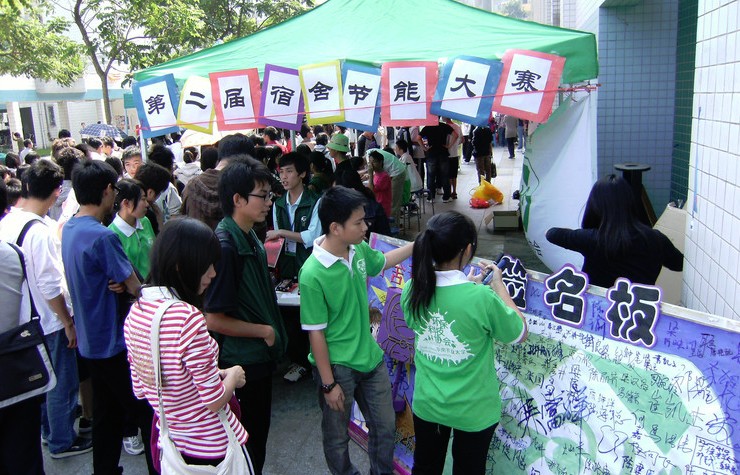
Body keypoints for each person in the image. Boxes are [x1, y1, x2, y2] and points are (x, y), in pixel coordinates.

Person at [401, 211, 527, 475]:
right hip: (474, 410)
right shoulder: (481, 298)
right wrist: (500, 289)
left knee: (425, 466)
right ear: (467, 249)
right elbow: (518, 332)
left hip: (428, 404)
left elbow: (432, 314)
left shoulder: (412, 289)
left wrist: (468, 286)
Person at [298, 186, 413, 475]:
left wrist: (416, 245)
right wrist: (328, 384)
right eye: (359, 222)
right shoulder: (312, 273)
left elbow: (382, 262)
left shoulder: (358, 249)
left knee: (385, 428)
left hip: (370, 358)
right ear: (335, 228)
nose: (366, 227)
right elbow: (316, 333)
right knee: (337, 439)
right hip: (337, 368)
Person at [124, 218, 250, 468]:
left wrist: (212, 374)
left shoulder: (136, 312)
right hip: (214, 447)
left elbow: (141, 388)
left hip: (172, 443)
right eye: (207, 265)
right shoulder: (187, 318)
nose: (213, 273)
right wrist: (233, 376)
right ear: (182, 266)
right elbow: (214, 400)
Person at [61, 160, 156, 474]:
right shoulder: (103, 237)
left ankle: (104, 468)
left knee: (106, 415)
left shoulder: (71, 228)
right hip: (114, 343)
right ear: (106, 191)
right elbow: (133, 285)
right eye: (114, 189)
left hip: (90, 341)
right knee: (146, 415)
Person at [0, 160, 89, 460]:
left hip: (19, 319)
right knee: (60, 383)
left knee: (36, 382)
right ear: (56, 193)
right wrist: (67, 321)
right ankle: (62, 440)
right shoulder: (40, 232)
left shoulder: (8, 222)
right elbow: (50, 285)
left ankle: (48, 432)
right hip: (47, 321)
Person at [204, 156, 287, 475]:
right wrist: (264, 331)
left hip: (257, 358)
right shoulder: (226, 245)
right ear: (237, 199)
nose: (268, 202)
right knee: (247, 443)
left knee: (256, 440)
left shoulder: (249, 233)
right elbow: (214, 319)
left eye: (269, 195)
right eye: (262, 195)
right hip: (242, 360)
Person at [546, 174, 684, 288]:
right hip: (639, 312)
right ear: (630, 203)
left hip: (597, 313)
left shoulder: (592, 239)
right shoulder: (656, 239)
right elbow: (678, 264)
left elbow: (552, 234)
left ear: (595, 206)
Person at [266, 152, 322, 383]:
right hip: (286, 266)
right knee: (289, 316)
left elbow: (312, 236)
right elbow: (279, 242)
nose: (284, 176)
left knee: (311, 314)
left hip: (308, 264)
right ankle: (300, 360)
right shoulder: (278, 204)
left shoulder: (314, 201)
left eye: (289, 171)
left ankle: (314, 361)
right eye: (281, 172)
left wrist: (281, 232)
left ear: (302, 173)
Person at [108, 179, 155, 279]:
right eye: (143, 199)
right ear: (126, 203)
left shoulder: (145, 221)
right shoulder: (112, 234)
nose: (147, 204)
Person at [420, 119, 456, 203]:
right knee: (445, 175)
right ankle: (446, 197)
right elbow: (456, 135)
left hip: (431, 154)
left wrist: (425, 148)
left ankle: (430, 197)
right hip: (443, 153)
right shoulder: (444, 126)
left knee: (431, 176)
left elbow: (418, 138)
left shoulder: (427, 127)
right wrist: (449, 146)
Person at [367, 150, 392, 217]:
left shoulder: (384, 177)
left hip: (382, 209)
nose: (371, 165)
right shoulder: (377, 174)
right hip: (377, 206)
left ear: (380, 162)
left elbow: (371, 191)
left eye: (374, 162)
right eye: (370, 162)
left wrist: (370, 175)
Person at [443, 118, 462, 199]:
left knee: (448, 174)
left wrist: (449, 146)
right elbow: (462, 140)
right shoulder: (457, 126)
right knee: (454, 174)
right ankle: (454, 191)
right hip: (455, 153)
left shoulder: (445, 127)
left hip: (447, 153)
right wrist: (455, 145)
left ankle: (449, 191)